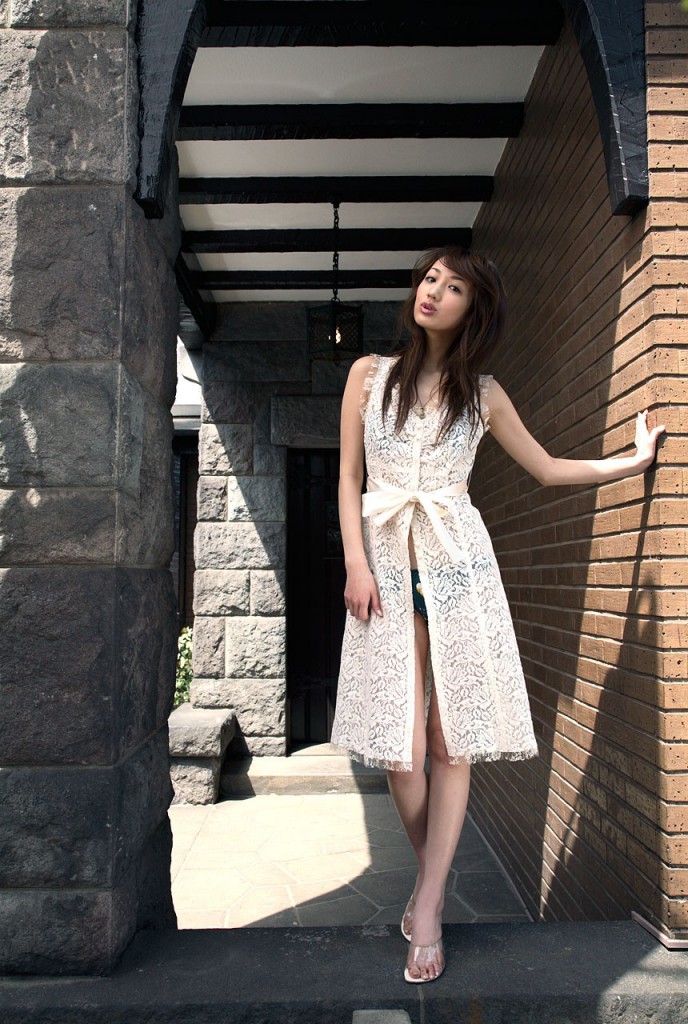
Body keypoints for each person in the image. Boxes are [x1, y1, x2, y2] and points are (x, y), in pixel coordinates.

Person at [330, 247, 665, 984]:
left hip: (458, 570)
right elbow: (350, 477)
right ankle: (435, 875)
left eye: (452, 287)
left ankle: (427, 905)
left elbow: (546, 469)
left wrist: (633, 462)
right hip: (384, 571)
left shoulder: (483, 395)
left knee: (450, 741)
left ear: (472, 310)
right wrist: (355, 562)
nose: (433, 292)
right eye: (430, 278)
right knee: (402, 750)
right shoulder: (368, 376)